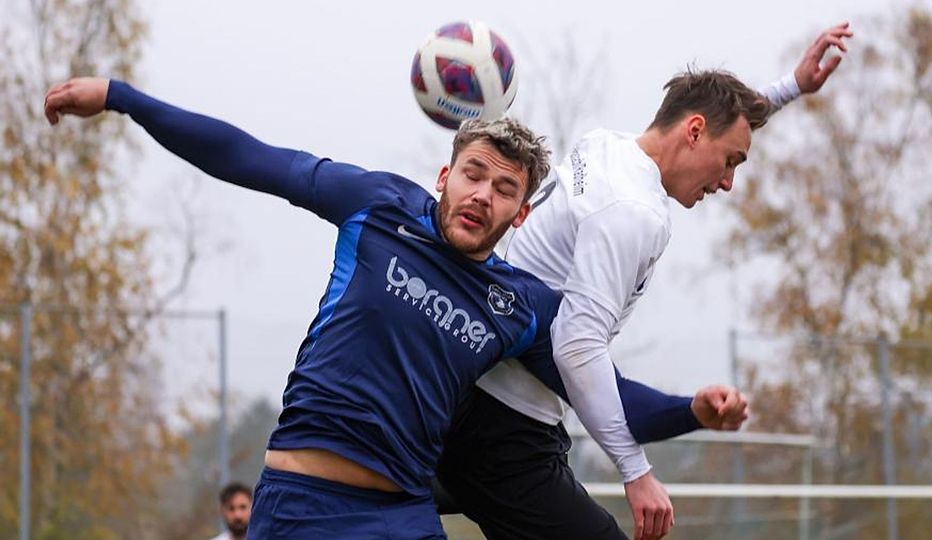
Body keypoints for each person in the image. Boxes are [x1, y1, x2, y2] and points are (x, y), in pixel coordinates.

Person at [42, 77, 733, 539]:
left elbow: (598, 386)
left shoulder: (517, 306)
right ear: (444, 175)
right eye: (473, 173)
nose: (482, 195)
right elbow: (247, 157)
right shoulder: (376, 207)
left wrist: (690, 411)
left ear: (520, 215)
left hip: (397, 517)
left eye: (503, 188)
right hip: (296, 504)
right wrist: (122, 97)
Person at [435, 22, 853, 540]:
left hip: (482, 402)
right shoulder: (631, 213)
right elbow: (576, 348)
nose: (727, 182)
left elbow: (721, 116)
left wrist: (790, 86)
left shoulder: (607, 148)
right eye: (730, 162)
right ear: (694, 132)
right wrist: (636, 472)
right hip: (503, 432)